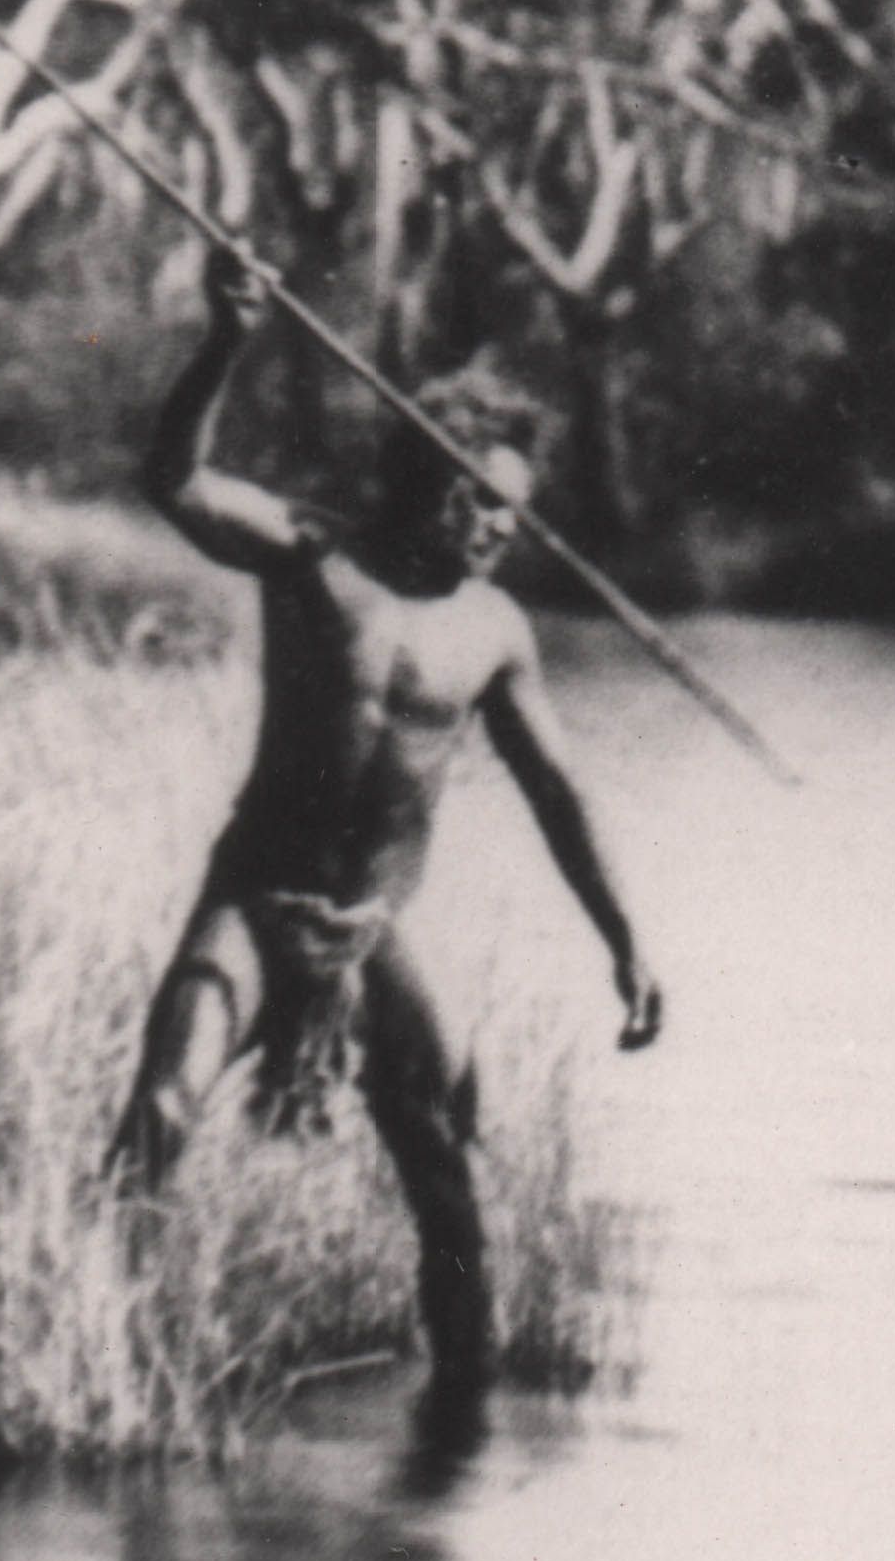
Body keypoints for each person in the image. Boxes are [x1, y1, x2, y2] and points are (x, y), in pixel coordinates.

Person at [108, 246, 664, 1401]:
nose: (490, 525)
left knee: (446, 1151)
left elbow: (563, 795)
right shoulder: (315, 555)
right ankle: (114, 1365)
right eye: (472, 495)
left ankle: (460, 1412)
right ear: (424, 476)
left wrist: (626, 942)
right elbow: (176, 481)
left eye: (509, 509)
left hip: (375, 927)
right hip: (257, 902)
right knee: (162, 1107)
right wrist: (226, 337)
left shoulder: (496, 630)